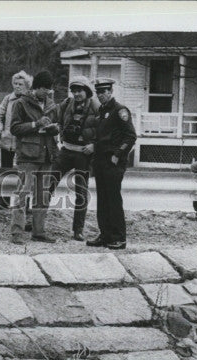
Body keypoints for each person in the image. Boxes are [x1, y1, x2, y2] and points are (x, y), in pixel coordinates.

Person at [9, 69, 59, 243]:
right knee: (22, 195)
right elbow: (14, 128)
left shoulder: (52, 104)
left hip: (46, 156)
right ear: (36, 87)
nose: (47, 92)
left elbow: (58, 126)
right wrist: (35, 124)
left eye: (49, 89)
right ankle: (17, 233)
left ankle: (39, 232)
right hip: (27, 156)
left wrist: (55, 129)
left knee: (42, 196)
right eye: (44, 88)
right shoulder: (21, 103)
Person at [87, 78, 136, 250]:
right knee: (103, 200)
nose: (100, 95)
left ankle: (119, 237)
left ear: (110, 92)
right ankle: (105, 234)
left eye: (103, 92)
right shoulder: (101, 111)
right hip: (100, 161)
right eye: (98, 92)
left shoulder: (120, 111)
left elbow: (130, 136)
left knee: (113, 200)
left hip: (113, 161)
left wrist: (117, 154)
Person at [50, 75, 100, 242]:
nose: (77, 94)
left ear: (86, 91)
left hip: (83, 154)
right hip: (66, 150)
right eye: (74, 91)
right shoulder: (66, 104)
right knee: (48, 182)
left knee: (81, 191)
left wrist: (94, 144)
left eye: (80, 90)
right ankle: (36, 221)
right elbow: (54, 117)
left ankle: (78, 229)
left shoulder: (96, 106)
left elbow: (104, 129)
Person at [0, 70, 32, 210]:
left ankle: (23, 203)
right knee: (5, 170)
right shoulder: (7, 99)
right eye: (15, 84)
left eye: (20, 84)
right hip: (6, 140)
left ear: (27, 86)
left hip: (22, 142)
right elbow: (0, 115)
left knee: (23, 173)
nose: (17, 86)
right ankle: (4, 201)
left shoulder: (29, 100)